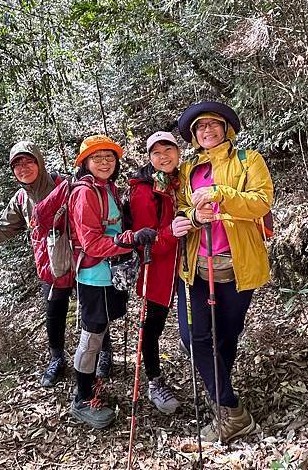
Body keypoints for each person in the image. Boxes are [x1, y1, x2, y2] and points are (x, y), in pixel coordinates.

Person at [0, 141, 112, 387]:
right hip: (50, 267)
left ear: (39, 161)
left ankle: (103, 353)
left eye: (28, 161)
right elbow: (1, 231)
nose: (23, 168)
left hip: (81, 260)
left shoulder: (65, 186)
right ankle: (57, 359)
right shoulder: (21, 199)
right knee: (54, 313)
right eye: (17, 165)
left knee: (93, 311)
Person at [172, 101, 274, 443]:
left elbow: (262, 202)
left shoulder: (249, 160)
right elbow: (182, 206)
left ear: (226, 128)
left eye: (214, 125)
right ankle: (231, 407)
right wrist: (193, 216)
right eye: (201, 128)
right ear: (194, 136)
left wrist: (220, 194)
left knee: (228, 335)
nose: (207, 131)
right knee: (194, 338)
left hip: (237, 263)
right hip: (198, 266)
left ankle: (222, 401)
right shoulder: (188, 169)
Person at [68, 135, 156, 429]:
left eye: (110, 157)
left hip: (110, 273)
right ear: (85, 164)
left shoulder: (108, 189)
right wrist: (129, 239)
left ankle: (92, 385)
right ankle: (81, 399)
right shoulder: (85, 193)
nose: (104, 162)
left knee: (101, 329)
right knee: (91, 337)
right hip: (94, 276)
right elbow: (92, 243)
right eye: (97, 158)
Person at [128, 131, 181, 414]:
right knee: (154, 326)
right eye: (157, 153)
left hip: (184, 266)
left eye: (168, 150)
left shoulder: (177, 181)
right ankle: (154, 380)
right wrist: (173, 233)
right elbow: (145, 242)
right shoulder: (143, 191)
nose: (164, 157)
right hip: (157, 270)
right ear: (149, 158)